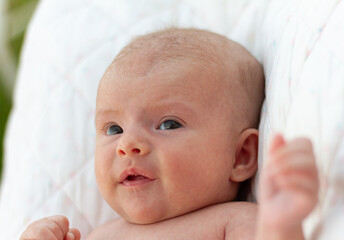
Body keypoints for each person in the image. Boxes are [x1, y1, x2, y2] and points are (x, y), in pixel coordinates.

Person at [20, 28, 318, 240]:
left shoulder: (233, 222)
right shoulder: (100, 234)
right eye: (114, 128)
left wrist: (283, 225)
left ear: (241, 156)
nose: (128, 144)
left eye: (168, 124)